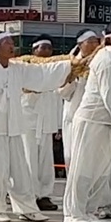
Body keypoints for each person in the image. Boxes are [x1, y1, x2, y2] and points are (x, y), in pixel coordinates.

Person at [0, 31, 73, 222]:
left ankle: (26, 208)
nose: (11, 46)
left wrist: (70, 65)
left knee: (20, 171)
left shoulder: (19, 69)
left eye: (12, 42)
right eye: (7, 43)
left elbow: (42, 75)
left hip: (15, 127)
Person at [63, 24, 111, 222]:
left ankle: (88, 211)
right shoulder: (107, 59)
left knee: (100, 171)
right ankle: (72, 213)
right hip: (93, 120)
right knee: (83, 168)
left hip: (107, 122)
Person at [19, 35, 63, 212]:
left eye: (49, 48)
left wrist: (58, 125)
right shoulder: (25, 68)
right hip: (28, 120)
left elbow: (58, 98)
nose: (45, 51)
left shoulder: (55, 70)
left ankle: (44, 194)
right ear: (34, 50)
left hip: (46, 122)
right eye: (42, 48)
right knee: (29, 159)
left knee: (46, 161)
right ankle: (30, 194)